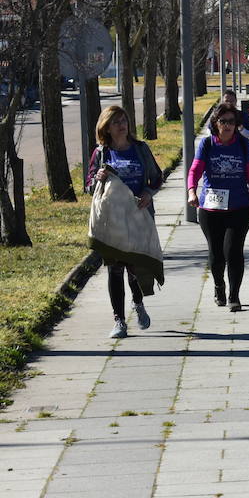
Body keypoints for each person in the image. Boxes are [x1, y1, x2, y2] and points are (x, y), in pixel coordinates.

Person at [85, 105, 163, 338]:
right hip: (113, 221)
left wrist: (148, 193)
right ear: (106, 128)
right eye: (116, 122)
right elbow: (88, 186)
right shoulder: (101, 153)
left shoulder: (140, 149)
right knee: (115, 269)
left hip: (139, 216)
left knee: (135, 266)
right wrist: (96, 179)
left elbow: (157, 177)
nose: (122, 125)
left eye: (124, 121)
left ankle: (137, 303)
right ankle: (119, 320)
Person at [188, 103, 249, 311]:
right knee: (217, 254)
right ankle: (219, 284)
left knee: (233, 251)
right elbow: (195, 171)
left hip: (239, 208)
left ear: (237, 124)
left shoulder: (244, 145)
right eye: (223, 121)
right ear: (216, 124)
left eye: (231, 122)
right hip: (211, 210)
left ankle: (234, 295)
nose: (227, 126)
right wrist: (192, 191)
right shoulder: (207, 144)